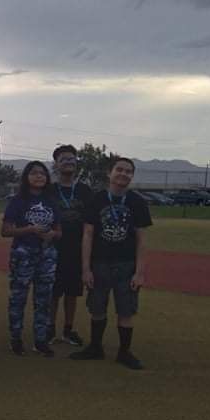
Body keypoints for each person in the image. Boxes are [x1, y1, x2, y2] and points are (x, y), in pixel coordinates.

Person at [71, 157, 152, 370]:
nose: (123, 174)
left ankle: (124, 352)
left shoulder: (137, 202)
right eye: (120, 170)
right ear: (110, 173)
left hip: (126, 265)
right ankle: (95, 347)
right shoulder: (97, 200)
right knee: (97, 307)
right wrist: (86, 268)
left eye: (128, 171)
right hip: (99, 264)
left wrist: (140, 272)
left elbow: (142, 239)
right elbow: (87, 235)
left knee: (126, 310)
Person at [1, 161, 62, 357]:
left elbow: (59, 231)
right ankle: (16, 338)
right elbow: (6, 230)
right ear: (27, 177)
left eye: (42, 174)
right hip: (23, 253)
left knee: (43, 299)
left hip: (46, 254)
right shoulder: (18, 201)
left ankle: (40, 340)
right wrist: (28, 229)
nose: (39, 177)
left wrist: (52, 234)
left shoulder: (52, 201)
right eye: (34, 173)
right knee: (18, 298)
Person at [45, 144, 92, 346]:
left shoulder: (84, 190)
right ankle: (49, 328)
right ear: (56, 164)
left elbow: (90, 221)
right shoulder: (49, 189)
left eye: (72, 158)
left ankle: (68, 329)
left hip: (77, 248)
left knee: (73, 292)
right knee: (53, 292)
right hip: (53, 248)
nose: (68, 161)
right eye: (63, 158)